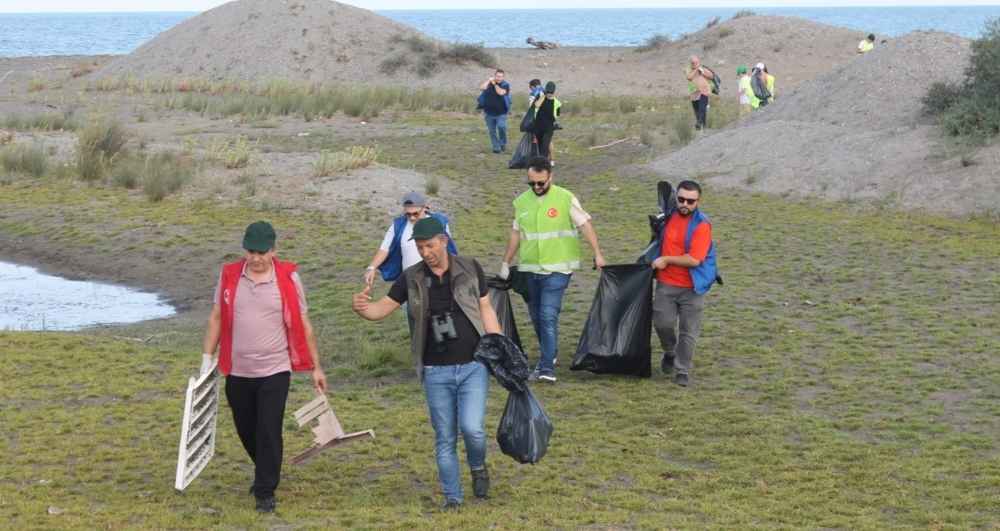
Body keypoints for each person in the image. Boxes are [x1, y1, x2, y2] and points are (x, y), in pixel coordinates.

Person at [352, 217, 502, 509]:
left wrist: (498, 345)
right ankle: (453, 497)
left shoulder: (471, 267)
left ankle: (478, 466)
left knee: (473, 429)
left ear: (444, 241)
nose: (425, 252)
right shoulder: (411, 277)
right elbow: (384, 307)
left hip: (473, 366)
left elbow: (485, 307)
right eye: (420, 247)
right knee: (445, 437)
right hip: (435, 371)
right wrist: (364, 309)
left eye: (430, 245)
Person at [200, 221, 328, 513]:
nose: (256, 258)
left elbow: (304, 324)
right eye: (250, 252)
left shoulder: (288, 277)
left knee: (269, 429)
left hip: (275, 368)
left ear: (274, 250)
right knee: (246, 429)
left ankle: (265, 491)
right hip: (238, 370)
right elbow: (217, 317)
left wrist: (316, 368)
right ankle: (266, 471)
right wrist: (207, 360)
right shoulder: (229, 275)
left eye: (262, 252)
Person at [500, 156, 606, 383]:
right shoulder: (521, 202)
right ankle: (551, 352)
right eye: (532, 183)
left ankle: (546, 367)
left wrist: (597, 253)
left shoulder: (565, 198)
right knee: (537, 317)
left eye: (541, 183)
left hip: (559, 269)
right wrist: (505, 262)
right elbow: (516, 233)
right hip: (530, 269)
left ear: (550, 177)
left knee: (548, 315)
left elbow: (585, 225)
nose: (537, 188)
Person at [647, 181, 716, 387]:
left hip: (692, 288)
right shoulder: (667, 217)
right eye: (681, 199)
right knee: (662, 324)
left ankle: (682, 369)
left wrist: (666, 260)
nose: (685, 204)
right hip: (666, 284)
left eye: (691, 201)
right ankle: (670, 351)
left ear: (698, 201)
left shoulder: (702, 225)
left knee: (688, 331)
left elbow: (694, 260)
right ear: (676, 197)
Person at [363, 192, 457, 332]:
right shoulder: (398, 225)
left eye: (415, 213)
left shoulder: (439, 222)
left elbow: (447, 248)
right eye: (408, 214)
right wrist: (372, 267)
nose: (412, 217)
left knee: (444, 319)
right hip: (412, 283)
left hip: (438, 280)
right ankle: (418, 349)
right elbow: (384, 249)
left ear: (425, 208)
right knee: (415, 321)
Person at [478, 69, 512, 154]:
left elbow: (500, 92)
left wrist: (495, 84)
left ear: (503, 77)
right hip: (489, 112)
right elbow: (481, 87)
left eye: (500, 76)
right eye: (497, 76)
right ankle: (496, 147)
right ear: (495, 76)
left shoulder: (505, 85)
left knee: (501, 127)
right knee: (492, 131)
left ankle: (502, 143)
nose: (498, 78)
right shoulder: (489, 83)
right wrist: (488, 80)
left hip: (501, 113)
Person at [532, 81, 561, 162]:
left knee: (545, 145)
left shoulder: (557, 103)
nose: (549, 94)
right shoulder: (542, 99)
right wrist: (543, 95)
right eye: (548, 92)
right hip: (538, 127)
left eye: (551, 92)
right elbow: (536, 105)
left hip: (548, 128)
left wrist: (554, 122)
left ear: (554, 92)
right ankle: (544, 160)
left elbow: (557, 115)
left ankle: (543, 163)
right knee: (540, 145)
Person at [686, 56, 712, 130]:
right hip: (694, 94)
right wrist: (696, 69)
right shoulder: (689, 69)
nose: (695, 64)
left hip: (704, 92)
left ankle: (703, 126)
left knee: (702, 109)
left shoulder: (703, 68)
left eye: (696, 62)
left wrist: (703, 72)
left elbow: (711, 76)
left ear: (699, 62)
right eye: (693, 63)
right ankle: (701, 128)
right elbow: (689, 77)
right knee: (697, 112)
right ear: (691, 63)